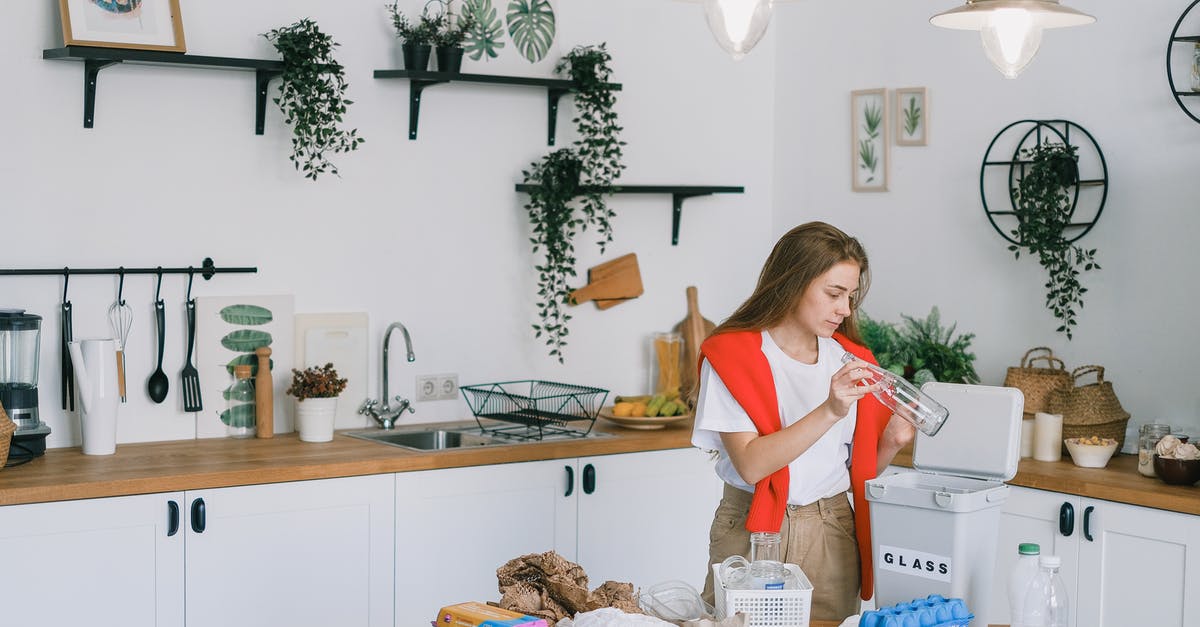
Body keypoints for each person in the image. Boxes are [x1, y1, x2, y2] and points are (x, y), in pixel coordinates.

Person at [692, 221, 916, 620]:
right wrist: (830, 410)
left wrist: (892, 442)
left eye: (850, 296)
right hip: (752, 528)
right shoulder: (731, 357)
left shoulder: (852, 359)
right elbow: (752, 462)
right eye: (834, 293)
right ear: (792, 283)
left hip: (832, 527)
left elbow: (852, 471)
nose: (845, 309)